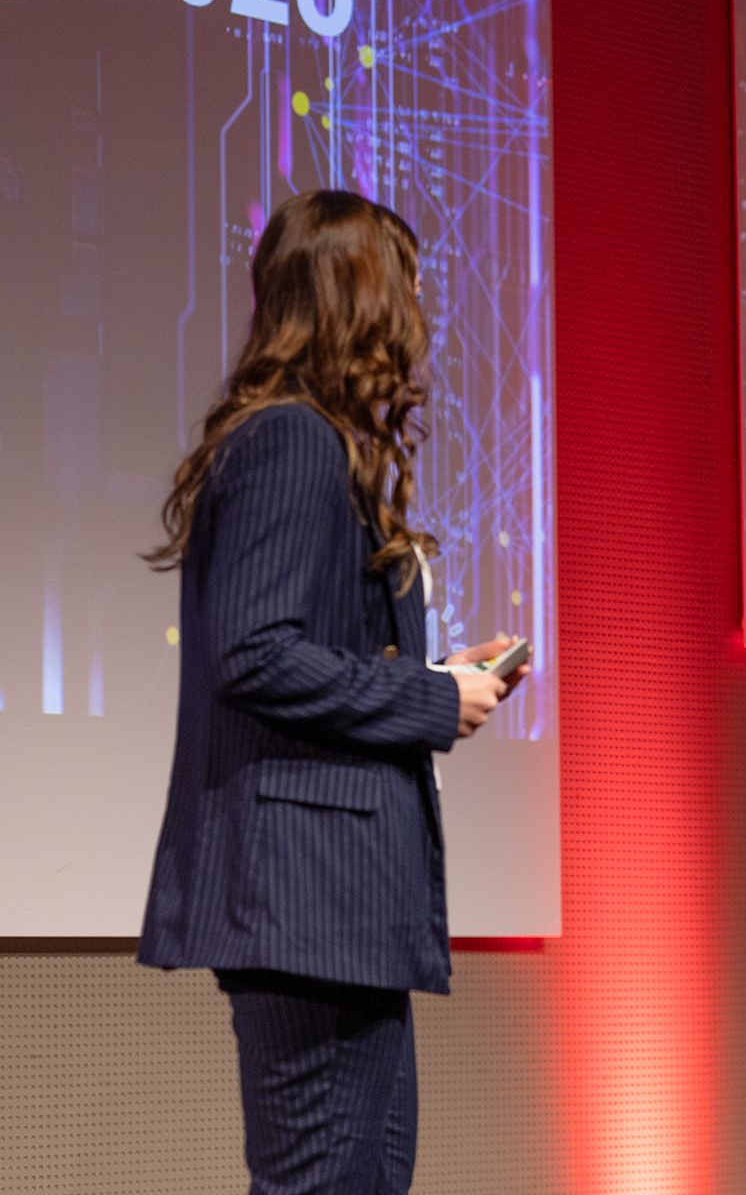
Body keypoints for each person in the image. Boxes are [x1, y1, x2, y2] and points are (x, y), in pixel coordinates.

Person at [137, 189, 526, 1194]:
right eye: (403, 288)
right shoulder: (290, 442)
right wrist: (437, 704)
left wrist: (437, 681)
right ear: (357, 298)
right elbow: (255, 652)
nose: (418, 315)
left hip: (334, 916)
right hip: (307, 909)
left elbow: (294, 649)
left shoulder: (310, 445)